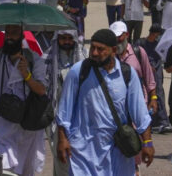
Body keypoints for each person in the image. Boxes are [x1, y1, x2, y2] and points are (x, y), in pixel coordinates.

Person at [56, 29, 154, 175]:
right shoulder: (78, 72)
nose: (94, 53)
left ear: (113, 50)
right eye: (93, 48)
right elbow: (64, 111)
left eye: (100, 49)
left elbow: (140, 113)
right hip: (84, 154)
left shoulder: (127, 74)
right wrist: (62, 139)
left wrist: (147, 142)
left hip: (117, 153)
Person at [0, 24, 48, 175]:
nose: (9, 37)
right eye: (7, 33)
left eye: (14, 33)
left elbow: (42, 90)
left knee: (26, 171)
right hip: (3, 126)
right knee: (6, 172)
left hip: (27, 127)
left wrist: (26, 75)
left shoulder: (34, 59)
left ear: (22, 36)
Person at [44, 30, 86, 176]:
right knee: (60, 156)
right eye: (63, 38)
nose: (67, 41)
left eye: (70, 38)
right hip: (56, 117)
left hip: (80, 117)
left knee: (78, 158)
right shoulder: (48, 57)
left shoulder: (84, 58)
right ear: (57, 39)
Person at [134, 24, 171, 133]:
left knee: (158, 93)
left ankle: (163, 121)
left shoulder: (158, 45)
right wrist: (147, 66)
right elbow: (136, 57)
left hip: (155, 74)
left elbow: (160, 59)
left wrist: (154, 67)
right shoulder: (140, 43)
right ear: (154, 33)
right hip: (143, 73)